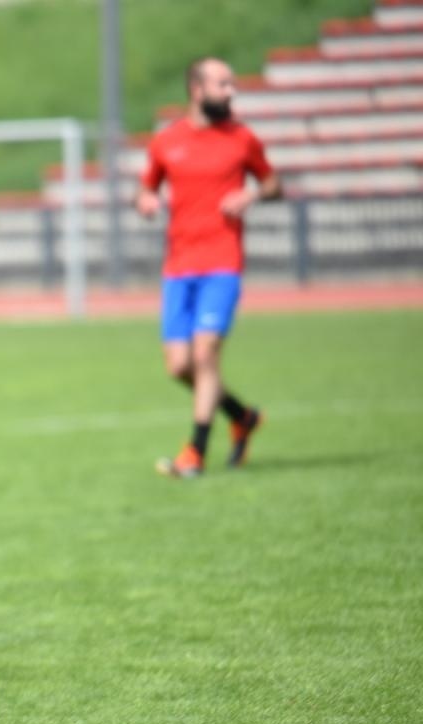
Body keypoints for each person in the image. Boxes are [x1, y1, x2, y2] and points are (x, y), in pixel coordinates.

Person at [138, 57, 281, 478]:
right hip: (179, 265)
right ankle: (241, 415)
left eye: (233, 84)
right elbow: (146, 187)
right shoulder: (166, 142)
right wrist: (145, 201)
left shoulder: (242, 138)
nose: (231, 92)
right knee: (179, 366)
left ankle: (194, 453)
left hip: (222, 261)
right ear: (197, 90)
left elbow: (273, 183)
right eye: (223, 85)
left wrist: (252, 195)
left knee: (204, 354)